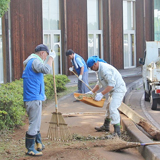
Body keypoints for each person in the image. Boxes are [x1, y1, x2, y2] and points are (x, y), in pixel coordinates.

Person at [22, 44, 56, 156]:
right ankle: (30, 149)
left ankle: (38, 143)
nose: (45, 58)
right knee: (34, 123)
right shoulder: (35, 61)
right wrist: (51, 58)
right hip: (33, 97)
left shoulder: (31, 61)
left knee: (36, 122)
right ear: (42, 53)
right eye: (45, 55)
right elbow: (46, 69)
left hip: (34, 97)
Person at [86, 56, 127, 137]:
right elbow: (99, 83)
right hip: (113, 90)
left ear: (95, 64)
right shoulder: (98, 69)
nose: (91, 69)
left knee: (113, 108)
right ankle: (106, 126)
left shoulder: (105, 70)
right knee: (108, 107)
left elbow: (111, 84)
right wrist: (92, 92)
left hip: (118, 90)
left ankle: (117, 132)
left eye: (91, 67)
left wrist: (101, 94)